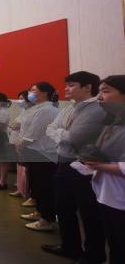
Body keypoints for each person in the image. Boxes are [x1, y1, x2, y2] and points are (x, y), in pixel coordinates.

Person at [41, 71, 106, 263]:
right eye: (66, 85)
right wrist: (64, 134)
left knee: (88, 212)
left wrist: (64, 134)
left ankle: (94, 254)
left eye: (71, 85)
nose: (66, 89)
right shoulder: (70, 107)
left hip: (82, 166)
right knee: (64, 208)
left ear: (87, 88)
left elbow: (74, 138)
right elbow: (50, 128)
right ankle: (70, 246)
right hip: (63, 162)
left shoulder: (96, 109)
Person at [86, 75, 125, 264]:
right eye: (100, 91)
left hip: (121, 198)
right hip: (106, 195)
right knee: (115, 246)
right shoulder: (111, 122)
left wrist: (99, 165)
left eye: (106, 91)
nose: (99, 96)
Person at [17, 82, 60, 232]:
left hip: (44, 154)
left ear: (44, 93)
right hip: (35, 152)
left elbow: (33, 133)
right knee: (37, 186)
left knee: (44, 187)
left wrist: (21, 145)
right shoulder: (37, 108)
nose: (30, 93)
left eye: (33, 90)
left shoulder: (46, 110)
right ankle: (40, 212)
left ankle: (46, 219)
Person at [8, 90, 34, 201]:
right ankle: (20, 188)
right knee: (20, 168)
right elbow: (16, 123)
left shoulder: (34, 111)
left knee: (26, 170)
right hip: (19, 141)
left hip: (28, 144)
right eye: (19, 98)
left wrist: (16, 125)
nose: (20, 101)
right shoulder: (24, 110)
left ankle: (28, 193)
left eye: (22, 98)